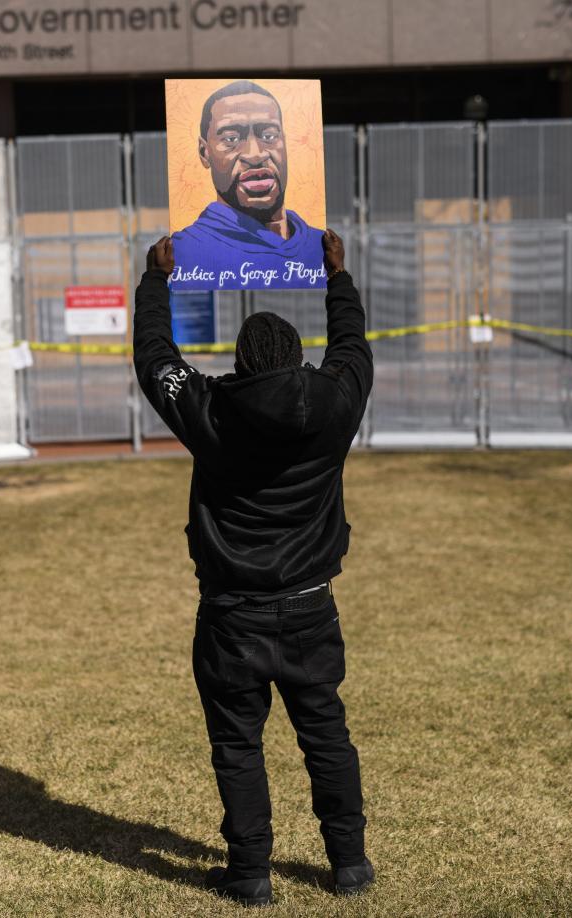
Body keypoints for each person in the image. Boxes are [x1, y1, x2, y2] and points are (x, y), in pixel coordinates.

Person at [133, 230, 374, 907]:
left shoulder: (211, 410)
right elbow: (353, 350)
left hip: (231, 614)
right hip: (309, 606)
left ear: (240, 363)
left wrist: (157, 281)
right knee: (326, 734)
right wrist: (338, 278)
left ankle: (251, 874)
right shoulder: (334, 406)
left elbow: (155, 360)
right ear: (297, 360)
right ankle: (349, 863)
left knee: (238, 748)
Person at [170, 80, 325, 291]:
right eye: (231, 138)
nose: (255, 154)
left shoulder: (321, 247)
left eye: (269, 136)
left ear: (285, 143)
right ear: (204, 152)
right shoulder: (184, 251)